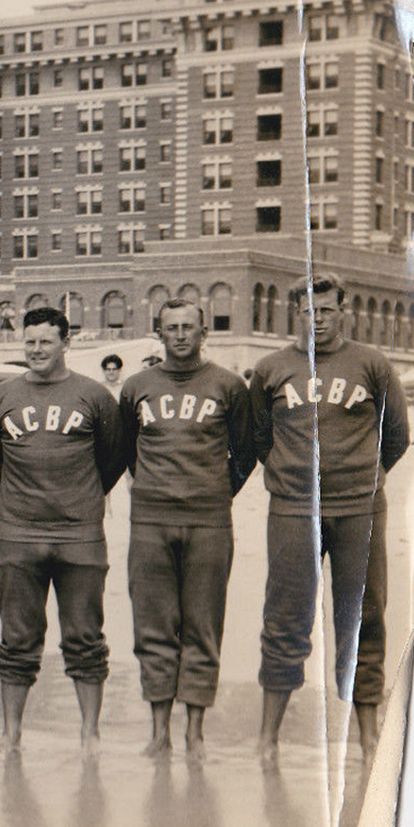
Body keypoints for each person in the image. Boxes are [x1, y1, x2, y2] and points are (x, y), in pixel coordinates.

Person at [250, 272, 409, 766]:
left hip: (358, 507)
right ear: (294, 313)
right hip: (295, 507)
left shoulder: (372, 363)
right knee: (285, 617)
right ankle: (268, 738)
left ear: (343, 311)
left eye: (327, 310)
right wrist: (289, 474)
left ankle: (366, 732)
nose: (317, 320)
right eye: (308, 311)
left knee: (363, 617)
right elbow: (259, 436)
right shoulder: (271, 368)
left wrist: (363, 476)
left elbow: (398, 435)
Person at [0, 306, 123, 756]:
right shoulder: (2, 397)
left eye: (45, 341)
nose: (36, 350)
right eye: (29, 342)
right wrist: (28, 497)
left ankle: (90, 733)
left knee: (85, 635)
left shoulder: (94, 396)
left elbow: (114, 457)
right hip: (19, 534)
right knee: (17, 637)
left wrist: (78, 498)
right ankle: (11, 733)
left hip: (80, 534)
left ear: (66, 343)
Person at [118, 300, 256, 761]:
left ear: (203, 333)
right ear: (158, 332)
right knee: (153, 626)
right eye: (171, 328)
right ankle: (160, 731)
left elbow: (244, 453)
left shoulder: (229, 385)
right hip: (151, 520)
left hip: (209, 519)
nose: (180, 335)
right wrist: (158, 489)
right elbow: (127, 451)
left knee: (203, 624)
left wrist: (212, 491)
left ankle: (196, 732)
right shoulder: (137, 386)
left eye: (188, 328)